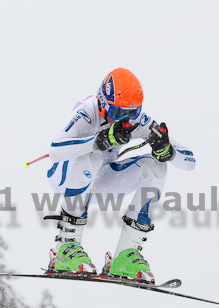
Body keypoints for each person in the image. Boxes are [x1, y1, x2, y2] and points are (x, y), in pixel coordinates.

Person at [46, 67, 195, 284]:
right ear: (102, 103)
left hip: (99, 182)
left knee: (155, 166)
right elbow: (55, 150)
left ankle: (126, 256)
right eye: (117, 113)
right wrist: (97, 140)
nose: (123, 120)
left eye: (132, 114)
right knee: (92, 156)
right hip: (66, 179)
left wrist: (167, 150)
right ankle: (66, 248)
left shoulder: (137, 120)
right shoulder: (87, 112)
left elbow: (189, 162)